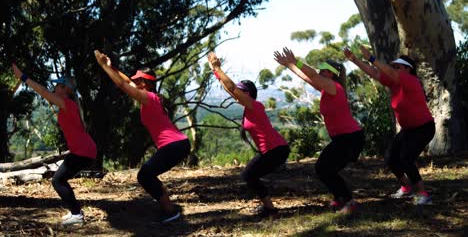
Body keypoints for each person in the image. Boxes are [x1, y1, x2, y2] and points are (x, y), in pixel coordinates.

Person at [94, 50, 190, 223]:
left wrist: (103, 67)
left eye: (138, 80)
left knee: (145, 175)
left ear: (145, 82)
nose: (134, 81)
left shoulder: (148, 98)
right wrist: (110, 66)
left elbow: (123, 85)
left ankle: (170, 211)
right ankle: (167, 206)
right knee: (147, 174)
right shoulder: (150, 96)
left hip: (174, 145)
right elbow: (125, 81)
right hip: (178, 144)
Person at [274, 47, 364, 214]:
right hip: (342, 139)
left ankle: (349, 202)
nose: (320, 71)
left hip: (350, 138)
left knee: (325, 168)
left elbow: (313, 75)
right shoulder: (326, 88)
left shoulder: (333, 86)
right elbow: (307, 77)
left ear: (331, 74)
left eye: (324, 69)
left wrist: (296, 61)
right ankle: (340, 198)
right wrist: (288, 64)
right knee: (323, 169)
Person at [343, 46, 434, 205]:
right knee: (391, 158)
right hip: (408, 130)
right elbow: (375, 73)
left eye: (398, 66)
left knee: (406, 159)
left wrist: (371, 57)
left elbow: (387, 71)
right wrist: (355, 60)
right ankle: (406, 188)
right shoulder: (394, 82)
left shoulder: (411, 80)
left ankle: (423, 194)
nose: (394, 69)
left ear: (408, 69)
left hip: (423, 128)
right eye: (394, 66)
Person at [11, 64, 97, 225]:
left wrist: (23, 77)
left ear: (65, 88)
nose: (54, 87)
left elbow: (43, 92)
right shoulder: (67, 104)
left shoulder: (67, 103)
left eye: (58, 84)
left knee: (58, 181)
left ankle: (77, 215)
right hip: (83, 150)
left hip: (83, 151)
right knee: (60, 180)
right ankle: (75, 212)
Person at [207, 52, 290, 217]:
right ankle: (269, 208)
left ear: (249, 94)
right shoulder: (248, 107)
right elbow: (230, 90)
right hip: (272, 150)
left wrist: (217, 67)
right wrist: (216, 73)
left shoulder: (254, 106)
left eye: (241, 90)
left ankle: (270, 209)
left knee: (249, 175)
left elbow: (231, 88)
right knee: (250, 175)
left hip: (276, 149)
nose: (237, 92)